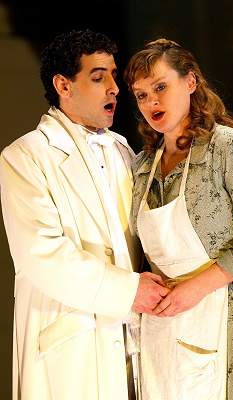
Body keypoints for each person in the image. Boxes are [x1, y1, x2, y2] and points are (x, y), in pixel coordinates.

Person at [0, 29, 169, 400]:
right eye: (98, 77)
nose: (114, 87)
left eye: (112, 75)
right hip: (73, 348)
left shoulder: (123, 151)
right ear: (63, 85)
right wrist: (129, 291)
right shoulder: (25, 156)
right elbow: (41, 254)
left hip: (134, 341)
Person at [124, 38, 233, 400]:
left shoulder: (228, 147)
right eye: (142, 95)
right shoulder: (142, 166)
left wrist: (197, 286)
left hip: (226, 313)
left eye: (161, 87)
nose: (152, 102)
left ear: (190, 83)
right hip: (163, 321)